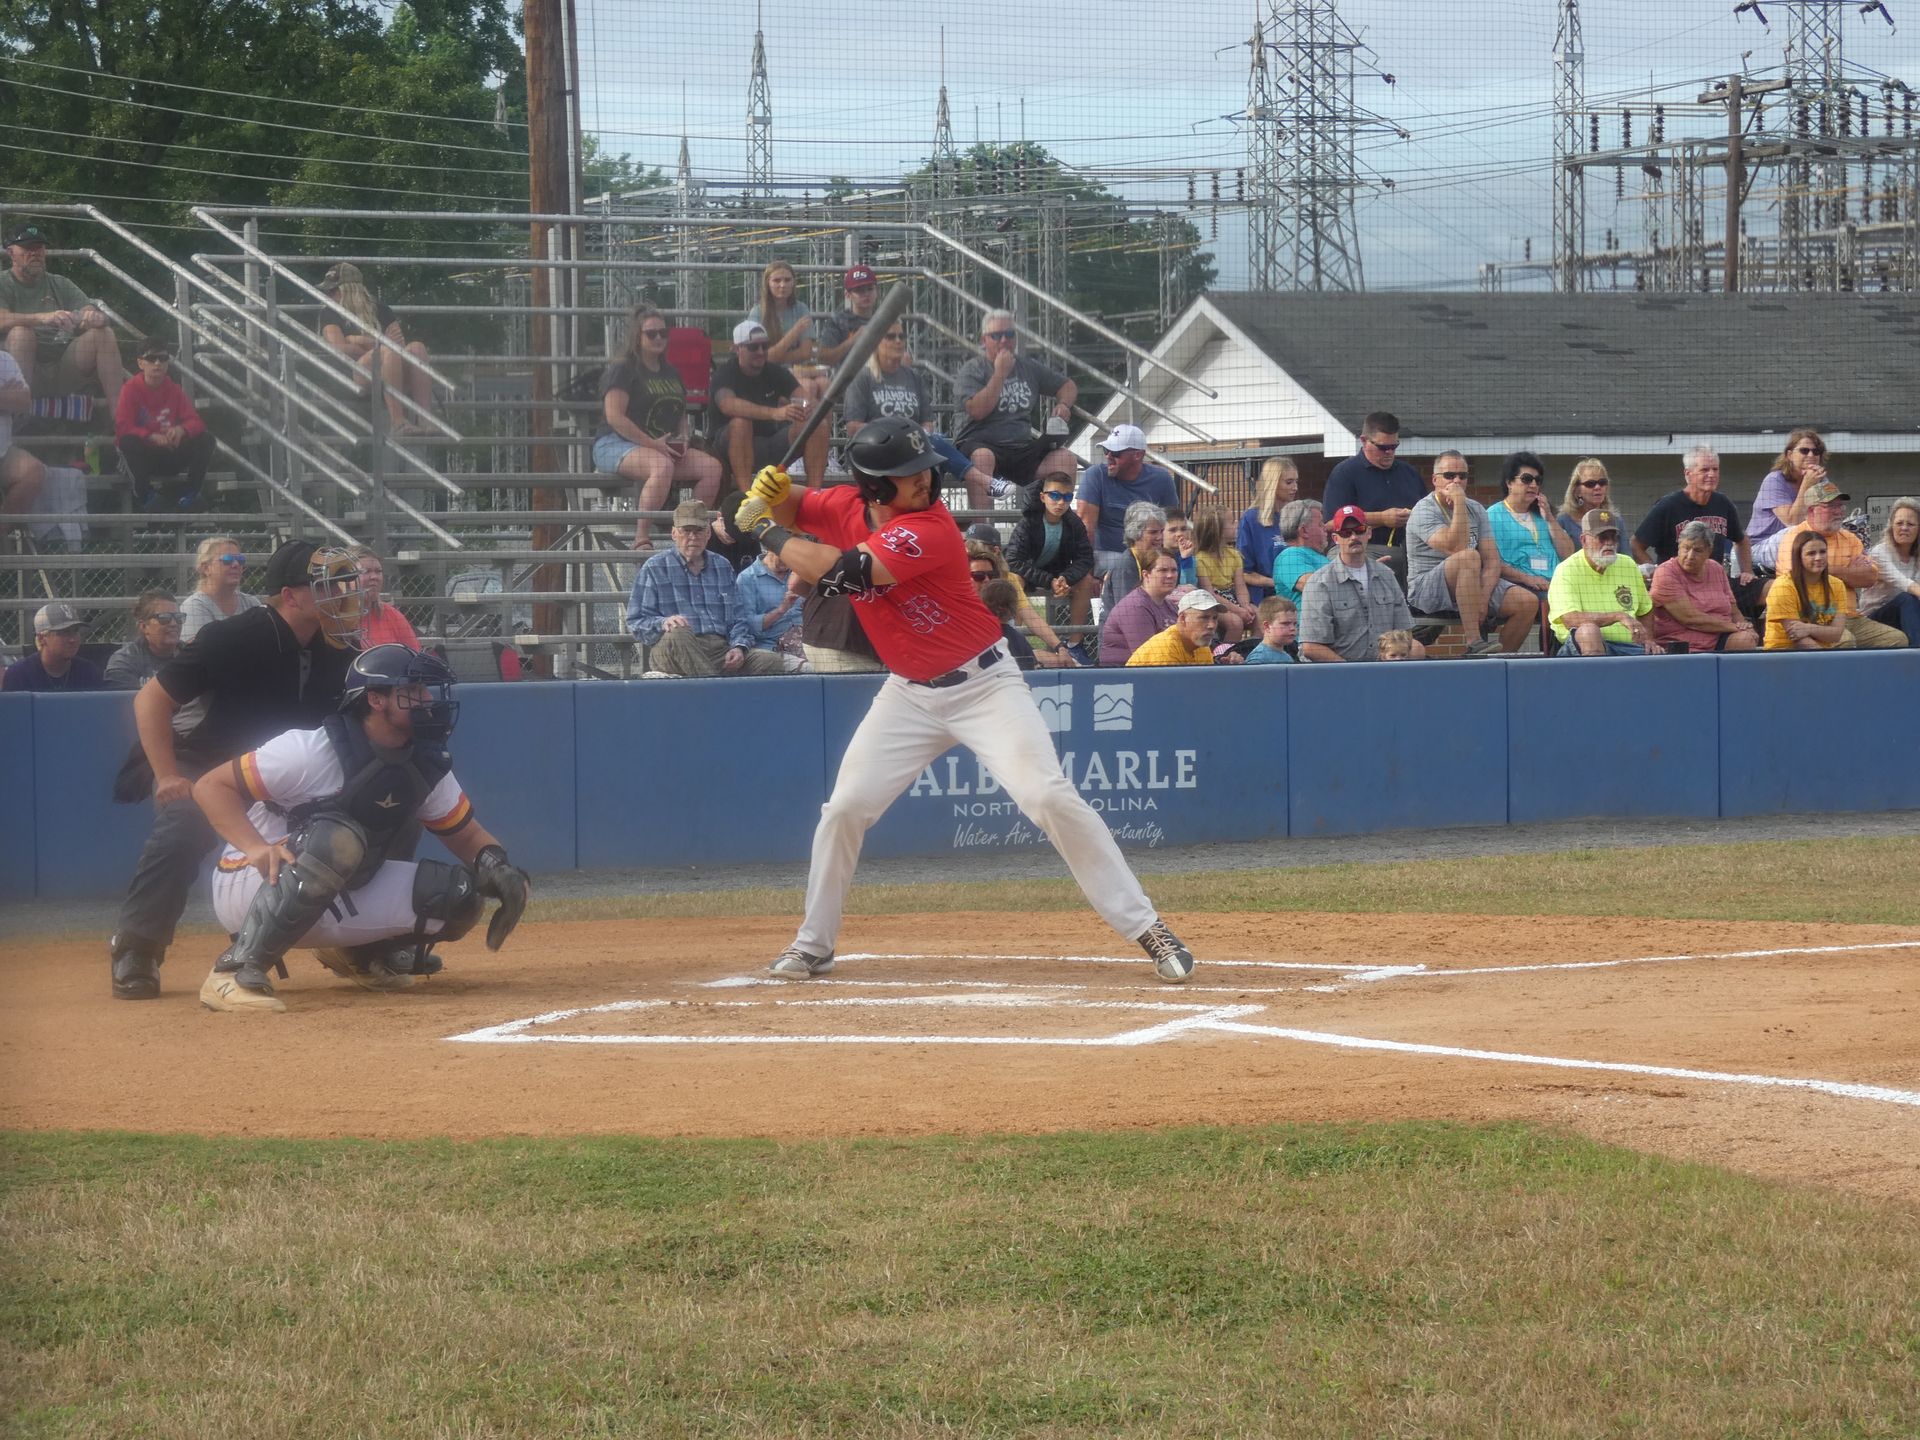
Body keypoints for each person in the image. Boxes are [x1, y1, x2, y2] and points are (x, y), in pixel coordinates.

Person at [729, 417, 1195, 983]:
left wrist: (765, 528)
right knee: (845, 809)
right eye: (909, 474)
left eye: (925, 469)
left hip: (985, 686)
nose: (925, 479)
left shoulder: (930, 527)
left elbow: (849, 574)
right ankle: (813, 944)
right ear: (874, 486)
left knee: (1047, 796)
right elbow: (796, 504)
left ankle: (1148, 927)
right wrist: (771, 493)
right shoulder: (845, 505)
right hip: (908, 694)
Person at [192, 645, 530, 1013]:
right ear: (375, 699)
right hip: (252, 880)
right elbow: (210, 787)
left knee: (458, 896)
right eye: (412, 690)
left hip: (331, 885)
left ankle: (359, 956)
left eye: (425, 689)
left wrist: (498, 867)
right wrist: (255, 846)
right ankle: (234, 970)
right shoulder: (310, 750)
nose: (427, 700)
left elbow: (466, 835)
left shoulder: (423, 761)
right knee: (337, 839)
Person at [106, 542, 363, 1001]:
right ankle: (137, 948)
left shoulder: (341, 648)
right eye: (326, 585)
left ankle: (360, 944)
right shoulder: (233, 637)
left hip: (279, 772)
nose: (341, 595)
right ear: (290, 595)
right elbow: (151, 700)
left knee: (360, 816)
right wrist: (168, 775)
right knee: (184, 826)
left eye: (343, 584)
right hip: (206, 760)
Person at [594, 304, 723, 550]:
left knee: (712, 467)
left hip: (659, 446)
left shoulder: (671, 372)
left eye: (663, 333)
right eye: (651, 333)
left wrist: (683, 437)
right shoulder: (624, 369)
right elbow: (614, 416)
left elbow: (681, 412)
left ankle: (690, 531)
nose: (658, 338)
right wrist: (652, 444)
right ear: (637, 337)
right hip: (614, 443)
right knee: (661, 466)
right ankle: (642, 537)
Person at [842, 316, 996, 509]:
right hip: (877, 452)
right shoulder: (862, 378)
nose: (898, 341)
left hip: (913, 451)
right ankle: (984, 481)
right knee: (934, 442)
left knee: (932, 441)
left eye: (901, 336)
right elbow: (853, 427)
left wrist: (913, 436)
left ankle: (936, 508)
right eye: (890, 336)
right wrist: (895, 436)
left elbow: (927, 422)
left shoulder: (912, 377)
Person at [625, 498, 789, 677]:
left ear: (708, 533)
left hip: (719, 650)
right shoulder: (655, 567)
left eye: (699, 530)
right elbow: (636, 622)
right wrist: (663, 623)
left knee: (769, 661)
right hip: (674, 648)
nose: (693, 537)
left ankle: (712, 684)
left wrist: (739, 647)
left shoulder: (722, 566)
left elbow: (738, 618)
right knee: (678, 633)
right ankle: (715, 689)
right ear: (674, 533)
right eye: (686, 530)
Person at [1403, 450, 1534, 656]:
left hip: (1471, 582)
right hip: (1426, 588)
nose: (1456, 481)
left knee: (1526, 602)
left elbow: (1492, 560)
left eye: (1462, 476)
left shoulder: (1477, 509)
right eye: (1449, 475)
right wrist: (1459, 503)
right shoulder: (1424, 510)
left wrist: (1482, 598)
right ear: (1435, 480)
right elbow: (1455, 547)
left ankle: (1497, 661)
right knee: (1469, 556)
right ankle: (1475, 642)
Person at [1774, 481, 1908, 649]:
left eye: (1840, 506)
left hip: (1850, 617)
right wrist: (1849, 571)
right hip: (1811, 618)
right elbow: (1798, 577)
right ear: (1811, 510)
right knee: (1845, 641)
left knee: (1896, 639)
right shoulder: (1794, 538)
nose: (1838, 511)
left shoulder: (1849, 538)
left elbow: (1869, 578)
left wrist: (1824, 571)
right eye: (1830, 506)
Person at [954, 310, 1079, 488]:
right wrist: (1000, 373)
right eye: (996, 336)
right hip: (980, 444)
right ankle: (982, 509)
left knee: (1065, 459)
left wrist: (1064, 404)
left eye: (1009, 334)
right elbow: (977, 411)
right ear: (984, 341)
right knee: (983, 457)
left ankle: (1053, 507)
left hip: (1021, 449)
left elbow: (1068, 385)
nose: (1004, 340)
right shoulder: (972, 370)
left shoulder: (1027, 367)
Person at [0, 222, 125, 398]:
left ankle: (120, 413)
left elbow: (89, 310)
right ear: (10, 252)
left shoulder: (61, 283)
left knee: (104, 333)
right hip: (16, 372)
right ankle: (18, 409)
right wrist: (43, 318)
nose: (35, 253)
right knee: (21, 333)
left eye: (39, 247)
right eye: (28, 248)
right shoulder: (3, 282)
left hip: (62, 369)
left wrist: (95, 318)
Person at [710, 320, 830, 491]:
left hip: (771, 444)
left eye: (765, 346)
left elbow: (808, 401)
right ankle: (747, 496)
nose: (760, 352)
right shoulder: (724, 373)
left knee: (817, 425)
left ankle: (814, 495)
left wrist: (805, 407)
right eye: (753, 347)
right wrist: (775, 412)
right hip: (730, 449)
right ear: (737, 349)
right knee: (741, 424)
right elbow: (727, 405)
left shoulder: (775, 371)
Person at [316, 262, 436, 433]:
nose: (328, 295)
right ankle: (398, 422)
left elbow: (400, 346)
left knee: (417, 348)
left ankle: (425, 420)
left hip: (389, 368)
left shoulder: (381, 309)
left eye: (332, 291)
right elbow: (338, 349)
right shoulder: (330, 312)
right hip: (352, 374)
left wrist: (355, 340)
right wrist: (378, 344)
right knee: (386, 352)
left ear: (348, 290)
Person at [1632, 447, 1757, 610]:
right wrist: (1657, 572)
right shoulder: (1668, 506)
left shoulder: (1723, 503)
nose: (1711, 474)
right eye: (1704, 470)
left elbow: (1742, 539)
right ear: (1688, 474)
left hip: (1716, 585)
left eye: (1715, 469)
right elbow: (1636, 544)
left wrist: (1747, 571)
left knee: (1768, 589)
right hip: (1679, 587)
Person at [1297, 507, 1425, 663]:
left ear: (1369, 532)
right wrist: (1353, 672)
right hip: (1337, 673)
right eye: (1346, 533)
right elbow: (1311, 647)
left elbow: (1405, 633)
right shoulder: (1319, 583)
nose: (1353, 537)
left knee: (1418, 649)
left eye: (1359, 530)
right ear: (1336, 538)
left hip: (1384, 670)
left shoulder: (1387, 576)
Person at [1320, 410, 1425, 586]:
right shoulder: (1345, 473)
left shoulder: (1409, 473)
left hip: (1409, 549)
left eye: (1394, 446)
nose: (1389, 452)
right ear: (1364, 440)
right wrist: (1382, 518)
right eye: (1382, 447)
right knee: (1369, 563)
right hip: (1360, 546)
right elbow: (1331, 523)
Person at [113, 339, 214, 511]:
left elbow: (196, 422)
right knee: (127, 441)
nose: (158, 363)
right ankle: (146, 495)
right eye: (151, 358)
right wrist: (150, 436)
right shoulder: (130, 389)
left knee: (206, 439)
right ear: (141, 363)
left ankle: (191, 493)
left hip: (169, 452)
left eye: (163, 358)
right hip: (145, 457)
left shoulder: (174, 389)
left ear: (167, 363)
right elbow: (122, 427)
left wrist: (181, 430)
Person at [1547, 509, 1658, 657]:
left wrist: (1649, 639)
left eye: (1614, 537)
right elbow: (1570, 619)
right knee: (1589, 631)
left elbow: (1646, 609)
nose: (1609, 543)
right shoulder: (1566, 570)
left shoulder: (1628, 564)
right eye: (1602, 537)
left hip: (1629, 647)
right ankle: (1599, 672)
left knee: (1664, 656)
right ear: (1584, 540)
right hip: (1580, 650)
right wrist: (1618, 616)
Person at [1073, 424, 1179, 574]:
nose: (1108, 456)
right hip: (1106, 555)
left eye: (1116, 452)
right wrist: (1086, 573)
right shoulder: (1095, 475)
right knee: (1125, 564)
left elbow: (1172, 524)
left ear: (1138, 455)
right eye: (1106, 450)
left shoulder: (1162, 479)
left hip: (1149, 555)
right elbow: (1085, 528)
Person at [1487, 451, 1573, 629]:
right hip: (1519, 584)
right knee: (1555, 603)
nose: (1533, 485)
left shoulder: (1543, 514)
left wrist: (1550, 518)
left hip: (1553, 584)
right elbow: (1490, 561)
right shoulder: (1492, 516)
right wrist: (1527, 578)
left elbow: (1568, 554)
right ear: (1509, 482)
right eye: (1527, 479)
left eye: (1537, 480)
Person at [1649, 520, 1760, 653]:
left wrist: (1746, 627)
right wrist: (1734, 627)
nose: (1690, 556)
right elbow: (1690, 619)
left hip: (1720, 636)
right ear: (1679, 546)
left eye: (1698, 550)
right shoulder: (1666, 572)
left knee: (1746, 639)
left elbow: (1733, 610)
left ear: (1709, 551)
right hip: (1683, 642)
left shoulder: (1716, 568)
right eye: (1686, 548)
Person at [1004, 473, 1097, 629]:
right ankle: (1015, 635)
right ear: (1042, 497)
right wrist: (1048, 581)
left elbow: (1085, 558)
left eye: (1067, 497)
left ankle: (1075, 640)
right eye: (1054, 495)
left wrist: (1065, 578)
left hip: (1059, 575)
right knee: (1014, 579)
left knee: (1086, 581)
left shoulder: (1074, 524)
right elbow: (1012, 560)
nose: (1060, 502)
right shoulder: (1028, 522)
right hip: (1028, 574)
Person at [966, 539, 1075, 667]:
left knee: (1066, 662)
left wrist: (1060, 647)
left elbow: (1032, 618)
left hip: (1007, 649)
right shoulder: (956, 600)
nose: (986, 580)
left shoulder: (1008, 581)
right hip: (972, 657)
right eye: (978, 576)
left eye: (991, 575)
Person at [1747, 429, 1830, 570]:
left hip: (1802, 542)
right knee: (1797, 533)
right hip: (1760, 547)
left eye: (1816, 452)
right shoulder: (1774, 480)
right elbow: (1792, 521)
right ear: (1790, 455)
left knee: (1844, 532)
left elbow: (1831, 515)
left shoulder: (1822, 481)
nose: (1811, 455)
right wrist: (1807, 484)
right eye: (1804, 451)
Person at [1764, 529, 1849, 651]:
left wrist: (1808, 628)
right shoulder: (1783, 587)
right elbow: (1797, 637)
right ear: (1799, 557)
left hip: (1820, 652)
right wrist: (1826, 658)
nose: (1818, 557)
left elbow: (1836, 635)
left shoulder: (1837, 585)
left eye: (1823, 552)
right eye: (1811, 553)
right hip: (1782, 653)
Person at [1098, 548, 1182, 667]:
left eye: (1174, 570)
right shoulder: (1135, 607)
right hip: (1125, 675)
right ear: (1146, 575)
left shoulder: (1170, 606)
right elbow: (1148, 658)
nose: (1170, 575)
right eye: (1163, 570)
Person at [179, 535, 266, 643]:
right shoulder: (194, 606)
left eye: (240, 559)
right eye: (227, 559)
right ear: (206, 568)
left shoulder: (251, 603)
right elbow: (202, 650)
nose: (236, 564)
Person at [1190, 504, 1258, 643]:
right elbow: (1210, 593)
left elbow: (1240, 587)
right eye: (1232, 522)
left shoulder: (1235, 555)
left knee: (1259, 615)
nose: (1236, 524)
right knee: (1235, 623)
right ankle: (1225, 653)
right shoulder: (1200, 559)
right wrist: (1238, 610)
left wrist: (1245, 606)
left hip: (1232, 597)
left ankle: (1250, 649)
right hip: (1213, 602)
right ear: (1219, 531)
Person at [1859, 497, 1920, 648]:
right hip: (1875, 618)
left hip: (1908, 616)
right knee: (1908, 598)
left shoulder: (1917, 557)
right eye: (1899, 523)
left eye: (1910, 524)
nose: (1904, 528)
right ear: (1891, 526)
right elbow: (1903, 582)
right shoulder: (1879, 552)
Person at [1, 601, 103, 691]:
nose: (72, 639)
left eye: (75, 631)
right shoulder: (19, 674)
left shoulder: (89, 672)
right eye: (64, 633)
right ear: (42, 639)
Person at [1236, 457, 1298, 595]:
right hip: (1267, 596)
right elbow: (1244, 572)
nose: (1295, 487)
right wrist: (1279, 583)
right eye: (1289, 482)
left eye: (1296, 481)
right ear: (1273, 483)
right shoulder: (1251, 519)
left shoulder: (1296, 516)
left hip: (1296, 593)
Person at [1127, 588, 1233, 667]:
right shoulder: (1165, 650)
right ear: (1183, 618)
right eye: (1204, 618)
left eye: (1215, 618)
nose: (1212, 625)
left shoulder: (1201, 647)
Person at [745, 260, 816, 373]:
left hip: (796, 370)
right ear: (768, 283)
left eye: (787, 280)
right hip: (766, 372)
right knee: (809, 384)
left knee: (823, 381)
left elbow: (806, 353)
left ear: (793, 283)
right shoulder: (757, 313)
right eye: (777, 280)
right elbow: (758, 356)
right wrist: (794, 332)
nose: (783, 285)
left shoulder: (801, 308)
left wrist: (774, 357)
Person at [104, 590, 185, 689]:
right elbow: (121, 697)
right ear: (143, 626)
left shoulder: (192, 655)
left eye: (178, 617)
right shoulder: (125, 660)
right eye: (164, 618)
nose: (174, 623)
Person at [735, 545, 805, 659]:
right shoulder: (747, 578)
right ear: (768, 547)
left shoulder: (799, 573)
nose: (790, 561)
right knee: (811, 667)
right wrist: (781, 610)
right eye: (785, 555)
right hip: (774, 647)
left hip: (806, 641)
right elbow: (748, 626)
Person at [0, 345, 45, 521]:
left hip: (3, 453)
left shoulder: (4, 360)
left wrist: (9, 399)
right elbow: (14, 400)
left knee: (33, 472)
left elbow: (24, 401)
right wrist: (5, 397)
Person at [1102, 501, 1169, 611]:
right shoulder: (1126, 565)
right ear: (1135, 533)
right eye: (1153, 532)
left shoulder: (1153, 559)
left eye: (1161, 531)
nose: (1160, 537)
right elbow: (1128, 611)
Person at [811, 265, 880, 367]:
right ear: (848, 295)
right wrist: (853, 340)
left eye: (870, 289)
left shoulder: (885, 319)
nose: (866, 294)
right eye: (859, 290)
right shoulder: (838, 321)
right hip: (849, 376)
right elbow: (823, 358)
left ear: (876, 291)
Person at [352, 547, 419, 649]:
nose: (374, 577)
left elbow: (414, 655)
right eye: (365, 571)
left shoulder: (392, 616)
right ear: (347, 577)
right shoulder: (334, 618)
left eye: (378, 571)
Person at [1557, 458, 1627, 548]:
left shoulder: (1616, 520)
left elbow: (1626, 553)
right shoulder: (1563, 521)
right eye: (1590, 484)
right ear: (1577, 491)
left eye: (1602, 482)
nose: (1597, 487)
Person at [1270, 499, 1329, 604]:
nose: (1326, 528)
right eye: (1320, 524)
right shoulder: (1289, 556)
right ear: (1304, 531)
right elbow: (1315, 586)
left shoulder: (1318, 556)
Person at [978, 577, 1039, 669]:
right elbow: (1032, 668)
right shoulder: (1019, 639)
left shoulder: (976, 636)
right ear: (1013, 606)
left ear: (983, 604)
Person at [1244, 595, 1298, 664]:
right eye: (1285, 623)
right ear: (1267, 626)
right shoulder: (1258, 658)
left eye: (1294, 624)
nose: (1293, 628)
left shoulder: (1287, 657)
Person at [1162, 510, 1199, 585]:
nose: (1179, 534)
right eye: (1172, 530)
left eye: (1183, 529)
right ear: (1161, 532)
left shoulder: (1190, 557)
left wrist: (1185, 559)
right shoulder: (1156, 558)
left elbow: (1190, 585)